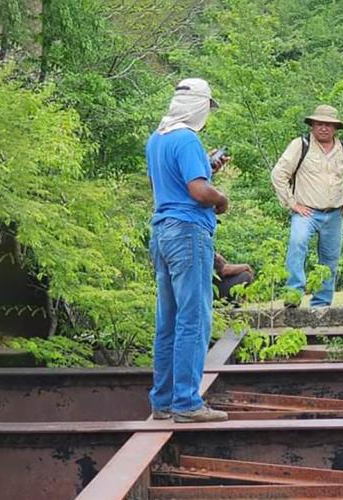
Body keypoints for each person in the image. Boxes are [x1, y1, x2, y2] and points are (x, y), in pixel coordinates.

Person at [146, 78, 229, 423]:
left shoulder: (157, 138)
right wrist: (221, 199)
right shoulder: (188, 139)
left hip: (162, 232)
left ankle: (162, 400)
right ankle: (187, 403)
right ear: (198, 107)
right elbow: (197, 191)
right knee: (194, 319)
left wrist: (207, 167)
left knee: (168, 320)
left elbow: (171, 183)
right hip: (188, 232)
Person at [271, 104, 343, 308]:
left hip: (335, 212)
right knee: (297, 245)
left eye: (328, 124)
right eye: (319, 124)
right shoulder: (301, 145)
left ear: (335, 127)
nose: (323, 128)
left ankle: (322, 303)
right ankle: (293, 294)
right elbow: (278, 174)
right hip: (306, 211)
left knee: (330, 258)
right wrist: (292, 203)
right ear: (312, 125)